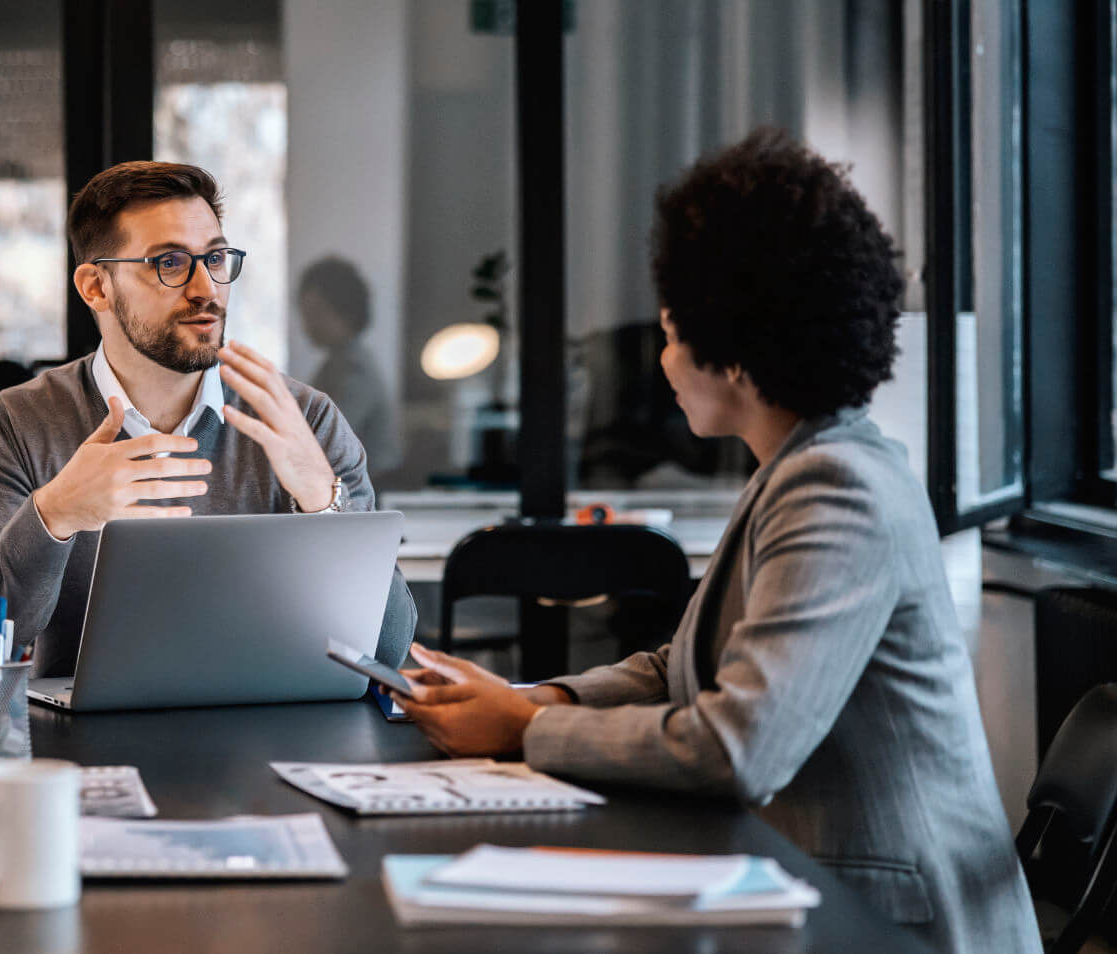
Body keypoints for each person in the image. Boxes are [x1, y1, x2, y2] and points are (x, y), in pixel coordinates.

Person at [398, 128, 1038, 954]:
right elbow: (681, 665)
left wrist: (522, 730)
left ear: (733, 351)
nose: (663, 360)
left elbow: (741, 746)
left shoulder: (836, 486)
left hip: (894, 926)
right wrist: (536, 700)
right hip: (812, 888)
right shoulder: (795, 467)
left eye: (671, 332)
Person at [0, 161, 416, 676]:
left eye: (214, 258)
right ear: (96, 287)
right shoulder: (16, 423)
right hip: (87, 745)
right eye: (170, 262)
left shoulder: (306, 421)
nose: (205, 288)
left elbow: (387, 653)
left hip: (270, 738)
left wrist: (323, 500)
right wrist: (54, 515)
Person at [299, 256, 397, 471]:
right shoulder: (333, 363)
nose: (308, 323)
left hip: (371, 490)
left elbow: (328, 437)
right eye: (305, 313)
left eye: (317, 312)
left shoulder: (357, 369)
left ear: (346, 312)